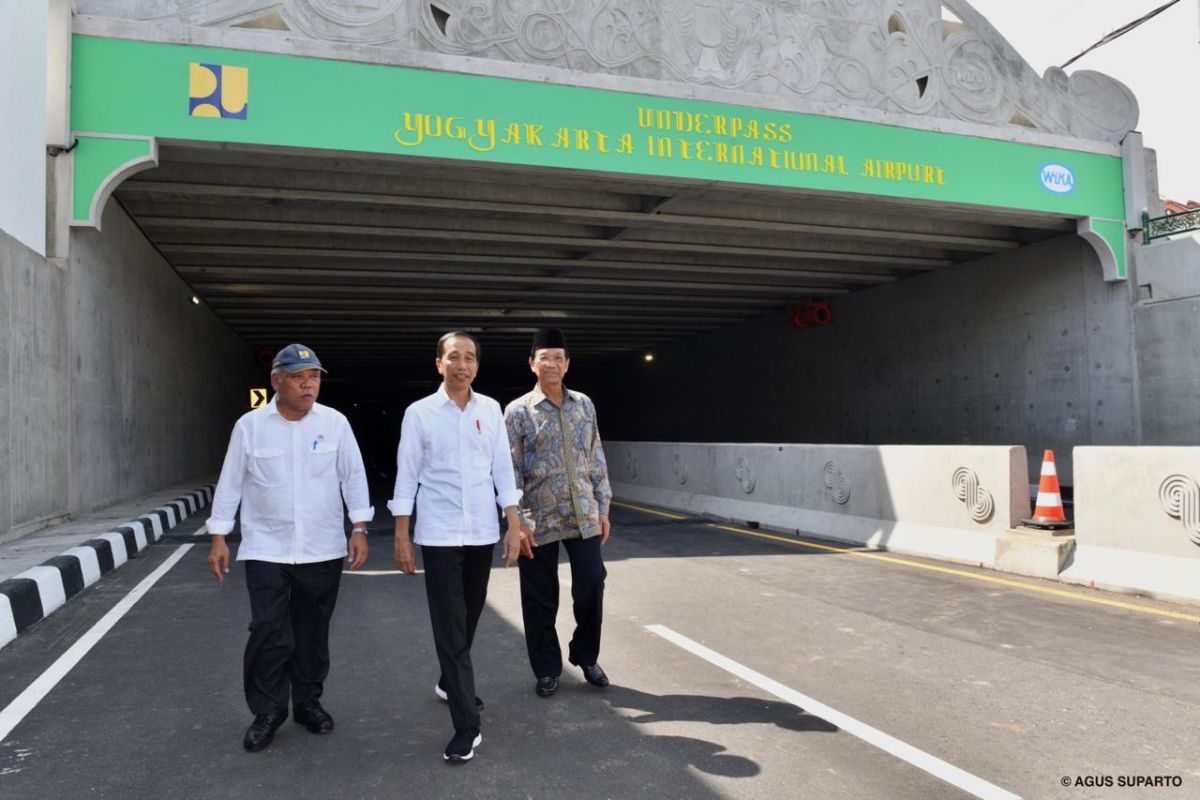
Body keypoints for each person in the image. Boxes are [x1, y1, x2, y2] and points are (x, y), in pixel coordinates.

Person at [206, 344, 373, 752]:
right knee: (268, 631)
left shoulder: (334, 423)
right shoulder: (250, 426)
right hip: (266, 547)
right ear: (276, 380)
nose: (308, 383)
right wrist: (218, 537)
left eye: (314, 376)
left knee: (312, 633)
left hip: (321, 548)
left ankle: (308, 703)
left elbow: (353, 476)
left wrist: (360, 527)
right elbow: (230, 481)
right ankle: (268, 710)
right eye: (299, 376)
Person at [389, 331, 531, 763]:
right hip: (438, 533)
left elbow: (503, 472)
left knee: (467, 617)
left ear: (476, 366)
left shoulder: (490, 410)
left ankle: (448, 681)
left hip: (482, 533)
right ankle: (467, 726)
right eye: (454, 357)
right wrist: (401, 534)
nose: (462, 365)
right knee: (450, 626)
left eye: (469, 358)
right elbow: (406, 472)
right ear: (439, 364)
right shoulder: (420, 413)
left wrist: (513, 526)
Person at [504, 327, 613, 699]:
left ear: (567, 365)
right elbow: (510, 470)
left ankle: (586, 656)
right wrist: (515, 522)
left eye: (558, 358)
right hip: (537, 518)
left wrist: (603, 506)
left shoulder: (584, 404)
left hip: (582, 513)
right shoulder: (518, 411)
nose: (551, 364)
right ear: (532, 363)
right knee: (539, 597)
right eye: (544, 358)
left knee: (592, 581)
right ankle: (547, 668)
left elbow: (595, 456)